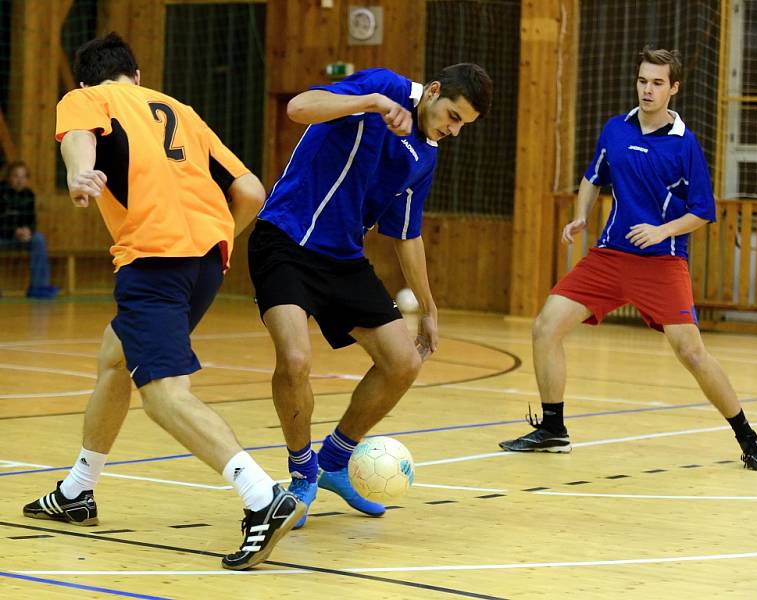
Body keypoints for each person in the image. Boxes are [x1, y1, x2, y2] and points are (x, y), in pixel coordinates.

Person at [21, 33, 303, 570]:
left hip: (152, 261)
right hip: (204, 264)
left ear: (87, 80)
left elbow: (76, 136)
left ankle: (263, 497)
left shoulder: (87, 97)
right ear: (138, 75)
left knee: (164, 396)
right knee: (115, 358)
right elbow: (250, 191)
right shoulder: (182, 111)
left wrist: (78, 172)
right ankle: (79, 491)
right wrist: (218, 241)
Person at [499, 47, 757, 471]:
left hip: (662, 264)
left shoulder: (685, 145)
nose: (648, 89)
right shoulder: (616, 129)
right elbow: (593, 177)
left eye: (657, 82)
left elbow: (702, 210)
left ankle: (747, 437)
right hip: (609, 257)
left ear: (673, 89)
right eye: (643, 80)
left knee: (692, 353)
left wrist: (662, 231)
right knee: (545, 327)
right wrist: (579, 217)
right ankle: (554, 430)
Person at [250, 64, 493, 527]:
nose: (454, 130)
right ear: (434, 91)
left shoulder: (426, 154)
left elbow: (406, 234)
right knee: (296, 359)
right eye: (453, 116)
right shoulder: (383, 87)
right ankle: (301, 475)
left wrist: (429, 307)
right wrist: (373, 102)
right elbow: (299, 108)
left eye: (463, 125)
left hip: (342, 258)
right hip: (284, 238)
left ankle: (334, 462)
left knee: (404, 363)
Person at [0, 161, 59, 298]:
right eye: (16, 176)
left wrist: (28, 231)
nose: (20, 180)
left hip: (20, 238)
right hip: (3, 236)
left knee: (38, 239)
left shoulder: (28, 195)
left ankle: (39, 287)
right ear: (9, 177)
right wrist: (13, 231)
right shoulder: (1, 192)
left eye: (23, 176)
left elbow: (32, 221)